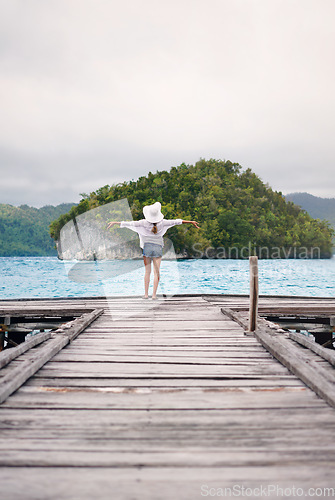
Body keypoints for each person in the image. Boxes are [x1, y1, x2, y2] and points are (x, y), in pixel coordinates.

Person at [107, 202, 200, 299]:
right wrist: (190, 222)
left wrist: (116, 223)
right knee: (157, 272)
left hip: (147, 247)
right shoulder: (163, 222)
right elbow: (176, 221)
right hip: (158, 247)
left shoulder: (143, 222)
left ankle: (146, 295)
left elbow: (129, 223)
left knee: (147, 272)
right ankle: (154, 295)